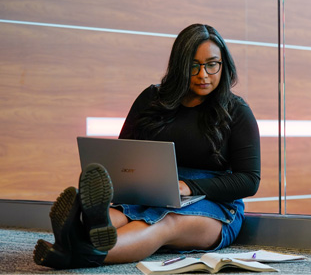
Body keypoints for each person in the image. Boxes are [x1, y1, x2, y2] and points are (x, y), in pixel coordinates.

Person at [33, 23, 261, 269]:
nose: (203, 75)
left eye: (212, 64)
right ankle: (84, 228)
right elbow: (123, 156)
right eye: (193, 66)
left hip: (215, 203)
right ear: (179, 66)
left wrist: (189, 186)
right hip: (152, 192)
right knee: (120, 214)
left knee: (162, 222)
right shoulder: (153, 99)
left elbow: (249, 179)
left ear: (223, 64)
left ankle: (80, 250)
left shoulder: (236, 110)